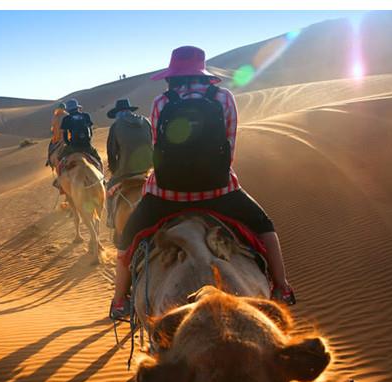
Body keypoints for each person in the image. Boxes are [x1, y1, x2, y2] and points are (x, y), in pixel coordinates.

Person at [109, 46, 295, 320]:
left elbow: (158, 150)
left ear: (172, 75)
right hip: (220, 192)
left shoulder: (161, 102)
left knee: (127, 238)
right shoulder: (223, 98)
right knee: (265, 226)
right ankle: (282, 287)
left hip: (166, 195)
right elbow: (229, 148)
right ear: (203, 72)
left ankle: (119, 300)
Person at [105, 98, 154, 227]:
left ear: (118, 113)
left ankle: (110, 218)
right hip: (148, 168)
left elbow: (111, 152)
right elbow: (152, 142)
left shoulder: (116, 126)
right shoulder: (146, 121)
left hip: (126, 170)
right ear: (130, 110)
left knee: (110, 187)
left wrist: (114, 170)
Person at [59, 99, 103, 172]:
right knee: (98, 160)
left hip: (73, 146)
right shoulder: (86, 115)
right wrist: (88, 141)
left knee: (60, 160)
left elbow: (65, 134)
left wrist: (69, 144)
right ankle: (102, 175)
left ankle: (60, 177)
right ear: (77, 107)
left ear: (68, 110)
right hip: (86, 145)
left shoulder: (66, 119)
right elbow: (90, 131)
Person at [46, 102, 68, 167]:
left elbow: (53, 127)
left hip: (57, 138)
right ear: (64, 108)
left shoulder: (55, 116)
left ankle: (49, 160)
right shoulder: (67, 115)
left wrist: (53, 131)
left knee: (50, 147)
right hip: (68, 136)